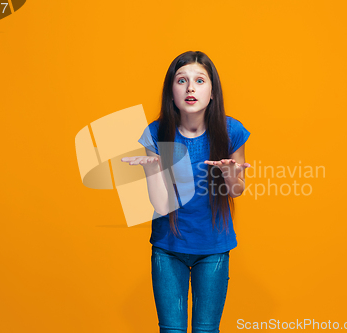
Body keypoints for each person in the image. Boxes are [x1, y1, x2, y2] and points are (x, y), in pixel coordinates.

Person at [121, 50, 251, 333]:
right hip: (168, 249)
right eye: (181, 80)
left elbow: (237, 191)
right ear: (171, 91)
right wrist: (152, 169)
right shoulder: (156, 134)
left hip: (214, 248)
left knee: (206, 330)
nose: (190, 88)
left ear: (212, 92)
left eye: (200, 81)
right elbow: (161, 203)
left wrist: (230, 171)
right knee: (172, 330)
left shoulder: (231, 131)